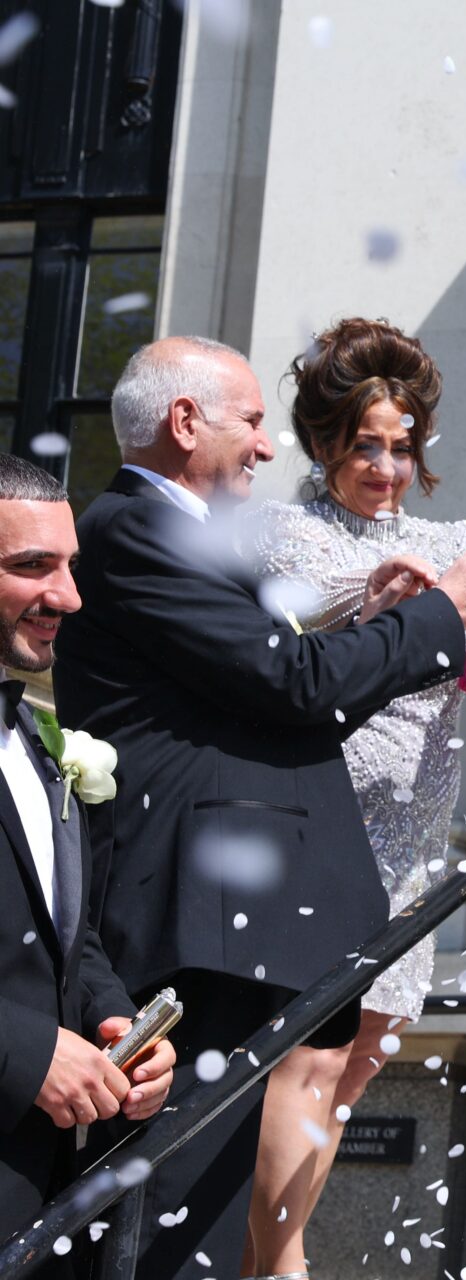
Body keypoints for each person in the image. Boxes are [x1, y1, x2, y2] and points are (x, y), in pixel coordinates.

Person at [53, 335, 466, 1280]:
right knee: (172, 1214)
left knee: (205, 1202)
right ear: (185, 422)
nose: (267, 448)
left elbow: (252, 683)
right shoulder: (136, 529)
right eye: (252, 423)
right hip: (204, 911)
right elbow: (288, 684)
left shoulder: (175, 530)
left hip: (252, 911)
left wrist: (376, 624)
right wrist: (444, 614)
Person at [238, 318, 466, 1280]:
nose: (385, 468)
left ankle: (272, 1255)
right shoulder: (278, 530)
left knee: (356, 1068)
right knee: (305, 1061)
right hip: (315, 824)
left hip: (413, 841)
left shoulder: (450, 539)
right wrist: (389, 598)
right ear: (321, 444)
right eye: (364, 448)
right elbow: (284, 620)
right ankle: (279, 1267)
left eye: (401, 447)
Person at [0, 455, 175, 1267]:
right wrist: (25, 1053)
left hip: (42, 1187)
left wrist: (120, 1025)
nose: (67, 597)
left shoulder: (39, 739)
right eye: (31, 566)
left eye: (70, 566)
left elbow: (66, 933)